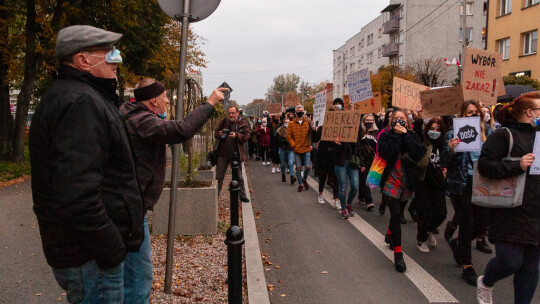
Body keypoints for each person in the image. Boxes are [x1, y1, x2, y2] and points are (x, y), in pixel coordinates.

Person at [29, 25, 143, 303]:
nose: (116, 59)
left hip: (89, 253)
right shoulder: (80, 101)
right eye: (108, 53)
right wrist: (110, 249)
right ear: (83, 60)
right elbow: (78, 194)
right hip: (90, 257)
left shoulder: (85, 95)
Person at [120, 78, 226, 302]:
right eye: (165, 97)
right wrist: (210, 103)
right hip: (131, 209)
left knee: (133, 275)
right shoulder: (142, 121)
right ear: (153, 101)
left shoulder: (135, 115)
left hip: (132, 206)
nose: (168, 100)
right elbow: (182, 130)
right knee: (138, 278)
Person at [476, 92, 540, 304]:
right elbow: (485, 166)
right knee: (511, 261)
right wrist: (517, 165)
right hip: (509, 209)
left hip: (535, 211)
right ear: (529, 112)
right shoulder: (504, 135)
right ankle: (486, 281)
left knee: (531, 267)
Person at [441, 100, 493, 286]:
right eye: (469, 112)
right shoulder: (452, 133)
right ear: (462, 114)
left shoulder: (489, 131)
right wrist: (452, 149)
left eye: (475, 112)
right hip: (461, 183)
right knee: (467, 222)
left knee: (482, 225)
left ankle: (458, 244)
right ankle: (467, 266)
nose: (472, 115)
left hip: (482, 183)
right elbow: (443, 161)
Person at [378, 109, 426, 273]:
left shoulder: (412, 135)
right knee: (396, 215)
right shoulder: (385, 135)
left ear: (407, 120)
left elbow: (418, 153)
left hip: (407, 180)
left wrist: (405, 135)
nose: (399, 120)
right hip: (392, 178)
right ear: (391, 121)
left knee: (399, 212)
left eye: (402, 118)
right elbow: (386, 153)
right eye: (396, 118)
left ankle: (390, 231)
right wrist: (397, 135)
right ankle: (398, 255)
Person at [414, 118, 448, 254]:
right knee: (424, 213)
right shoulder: (422, 142)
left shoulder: (444, 145)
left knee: (441, 213)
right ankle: (421, 239)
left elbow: (447, 161)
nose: (435, 132)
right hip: (424, 182)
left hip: (438, 183)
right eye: (432, 129)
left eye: (437, 129)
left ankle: (428, 231)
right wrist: (418, 118)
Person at [215, 105, 251, 202]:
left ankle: (242, 195)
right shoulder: (223, 122)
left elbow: (247, 136)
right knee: (219, 176)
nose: (231, 115)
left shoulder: (242, 123)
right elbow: (216, 133)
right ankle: (215, 197)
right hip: (223, 153)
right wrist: (220, 134)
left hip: (236, 153)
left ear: (237, 113)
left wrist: (237, 135)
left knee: (239, 176)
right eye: (229, 113)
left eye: (233, 113)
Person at [312, 106, 340, 208]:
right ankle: (320, 193)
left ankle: (337, 198)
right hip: (324, 154)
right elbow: (315, 139)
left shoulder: (339, 127)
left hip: (335, 154)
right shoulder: (322, 126)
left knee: (335, 176)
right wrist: (314, 130)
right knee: (323, 175)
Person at [287, 104, 312, 192]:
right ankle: (300, 183)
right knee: (298, 167)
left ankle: (304, 179)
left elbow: (311, 133)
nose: (300, 112)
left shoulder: (307, 122)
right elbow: (289, 136)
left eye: (302, 111)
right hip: (297, 149)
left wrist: (311, 124)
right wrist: (293, 144)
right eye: (299, 111)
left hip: (306, 147)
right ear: (295, 112)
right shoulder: (291, 123)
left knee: (308, 167)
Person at [357, 114, 378, 211]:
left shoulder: (376, 132)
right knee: (364, 179)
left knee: (366, 180)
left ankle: (361, 196)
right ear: (363, 121)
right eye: (367, 120)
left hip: (373, 160)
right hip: (362, 160)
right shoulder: (360, 132)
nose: (369, 122)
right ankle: (369, 201)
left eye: (371, 120)